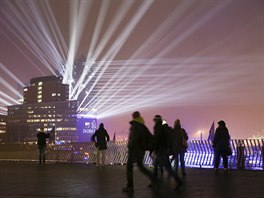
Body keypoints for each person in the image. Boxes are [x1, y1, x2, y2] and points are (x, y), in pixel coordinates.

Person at [122, 111, 158, 193]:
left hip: (135, 150)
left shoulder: (135, 126)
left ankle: (130, 187)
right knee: (141, 167)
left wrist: (130, 147)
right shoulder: (142, 125)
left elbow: (134, 139)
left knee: (129, 167)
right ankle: (154, 179)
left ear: (134, 117)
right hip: (141, 150)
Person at [152, 115, 183, 190]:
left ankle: (178, 181)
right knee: (156, 165)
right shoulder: (164, 128)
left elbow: (157, 139)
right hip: (165, 149)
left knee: (167, 167)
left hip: (160, 150)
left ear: (156, 120)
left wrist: (154, 148)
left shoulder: (158, 127)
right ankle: (154, 182)